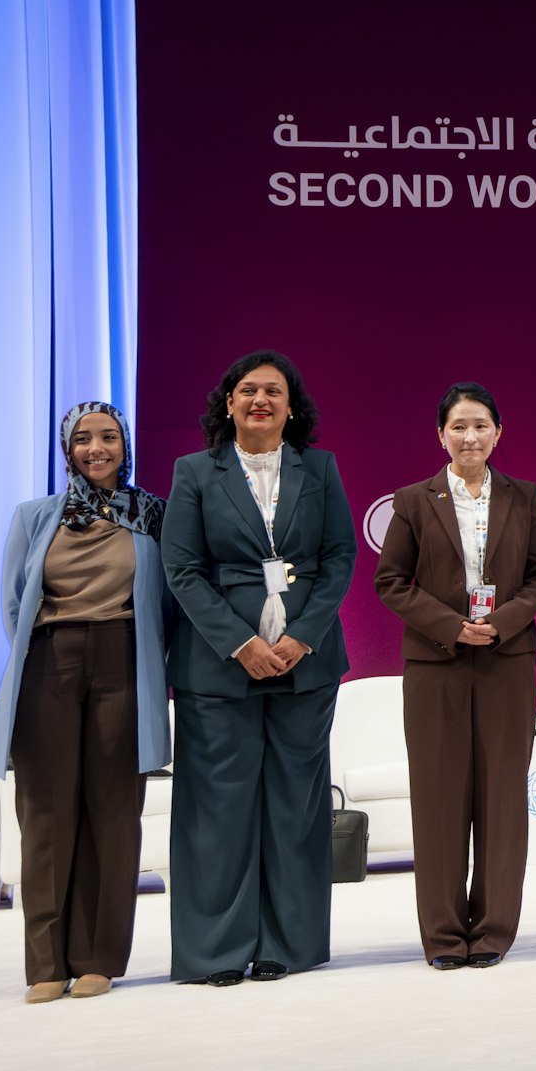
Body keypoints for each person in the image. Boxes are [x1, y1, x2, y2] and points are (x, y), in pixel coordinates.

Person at [161, 351, 356, 985]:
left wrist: (301, 636)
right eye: (247, 391)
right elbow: (182, 570)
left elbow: (339, 558)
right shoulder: (194, 472)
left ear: (291, 407)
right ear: (229, 404)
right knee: (217, 810)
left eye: (273, 391)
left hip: (306, 666)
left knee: (295, 807)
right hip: (218, 670)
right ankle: (215, 952)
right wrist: (241, 643)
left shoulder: (320, 469)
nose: (260, 401)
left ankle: (287, 946)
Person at [0, 402, 172, 1003]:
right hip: (48, 661)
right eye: (84, 438)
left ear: (126, 444)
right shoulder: (34, 516)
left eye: (110, 437)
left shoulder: (152, 515)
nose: (97, 448)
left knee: (113, 813)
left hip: (123, 659)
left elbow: (169, 600)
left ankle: (98, 958)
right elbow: (16, 603)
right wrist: (43, 654)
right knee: (44, 814)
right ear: (66, 449)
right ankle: (45, 963)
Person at [375, 382, 536, 970]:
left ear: (498, 432)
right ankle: (445, 936)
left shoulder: (523, 497)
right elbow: (391, 582)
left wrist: (500, 623)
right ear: (441, 436)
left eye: (480, 425)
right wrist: (450, 625)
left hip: (506, 662)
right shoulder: (413, 499)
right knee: (438, 800)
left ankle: (494, 930)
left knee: (504, 799)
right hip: (437, 665)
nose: (470, 436)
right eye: (458, 426)